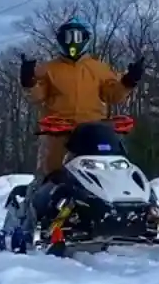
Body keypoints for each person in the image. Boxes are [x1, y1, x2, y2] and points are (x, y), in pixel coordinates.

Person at [19, 16, 144, 181]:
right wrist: (29, 81)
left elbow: (113, 95)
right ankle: (41, 193)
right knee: (51, 174)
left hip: (92, 132)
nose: (72, 42)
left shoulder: (99, 68)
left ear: (85, 39)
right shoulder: (48, 69)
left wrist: (128, 81)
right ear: (60, 40)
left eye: (77, 37)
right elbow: (37, 95)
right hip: (58, 132)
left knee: (106, 173)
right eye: (68, 37)